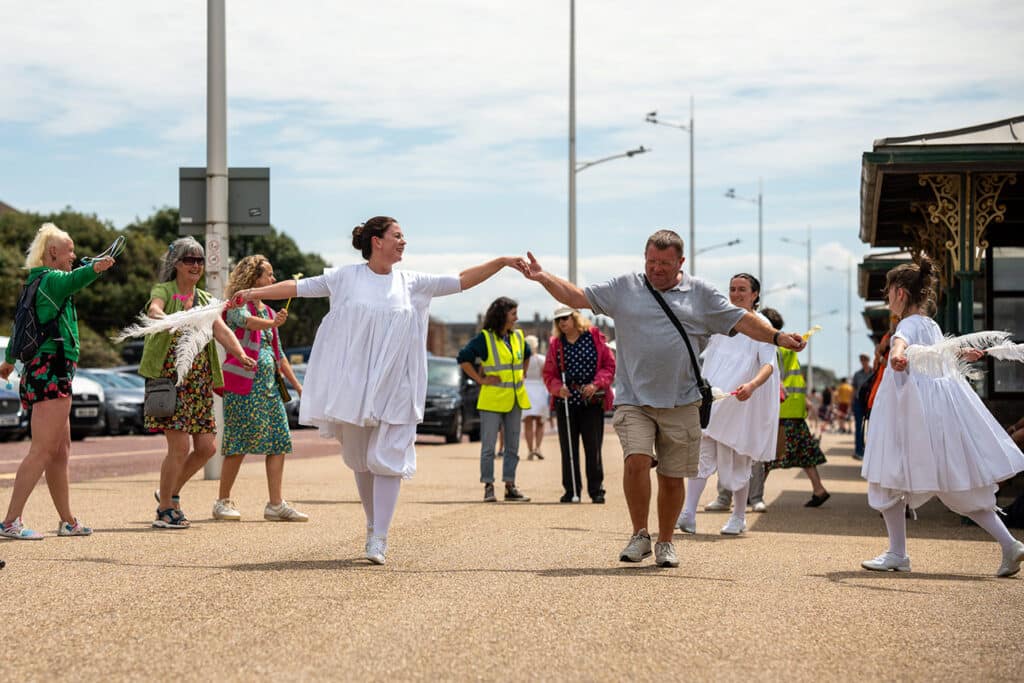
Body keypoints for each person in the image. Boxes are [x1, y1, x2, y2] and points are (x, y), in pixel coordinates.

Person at [237, 216, 519, 565]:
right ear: (377, 241)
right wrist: (252, 293)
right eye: (397, 236)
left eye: (403, 236)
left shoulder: (412, 283)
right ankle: (373, 526)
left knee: (386, 459)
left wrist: (503, 262)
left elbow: (461, 281)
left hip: (397, 385)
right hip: (355, 385)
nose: (403, 242)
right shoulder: (346, 277)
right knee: (361, 459)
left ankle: (380, 539)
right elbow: (298, 288)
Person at [516, 229, 805, 568]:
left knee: (671, 474)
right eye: (651, 261)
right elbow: (578, 296)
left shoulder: (702, 295)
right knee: (636, 460)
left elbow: (742, 321)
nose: (656, 269)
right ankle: (640, 534)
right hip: (634, 399)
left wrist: (777, 337)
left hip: (681, 401)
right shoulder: (626, 287)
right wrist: (542, 278)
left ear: (680, 262)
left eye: (665, 264)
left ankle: (665, 541)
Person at [860, 256, 1024, 576]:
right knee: (957, 486)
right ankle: (1009, 544)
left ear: (901, 293)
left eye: (889, 290)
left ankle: (897, 553)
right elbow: (942, 353)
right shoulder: (931, 324)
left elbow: (901, 345)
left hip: (909, 414)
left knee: (888, 473)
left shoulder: (906, 325)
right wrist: (964, 352)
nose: (887, 297)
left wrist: (896, 357)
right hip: (938, 415)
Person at [0, 223, 116, 540]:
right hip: (52, 369)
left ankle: (68, 521)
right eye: (70, 250)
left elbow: (19, 322)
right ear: (53, 252)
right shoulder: (52, 280)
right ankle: (10, 521)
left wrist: (9, 361)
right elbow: (77, 278)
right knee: (42, 449)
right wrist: (96, 267)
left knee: (60, 449)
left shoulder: (35, 283)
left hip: (44, 370)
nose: (74, 256)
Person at [140, 237, 256, 530]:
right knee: (178, 447)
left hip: (200, 381)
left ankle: (168, 491)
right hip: (171, 379)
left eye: (199, 261)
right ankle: (165, 508)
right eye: (189, 260)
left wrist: (240, 353)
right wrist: (166, 318)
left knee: (206, 448)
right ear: (176, 264)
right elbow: (154, 309)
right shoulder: (164, 290)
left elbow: (222, 329)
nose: (195, 266)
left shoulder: (204, 300)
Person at [676, 274, 780, 536]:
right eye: (732, 289)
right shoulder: (722, 320)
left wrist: (752, 386)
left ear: (755, 294)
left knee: (737, 459)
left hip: (740, 400)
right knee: (702, 454)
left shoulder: (762, 325)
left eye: (742, 289)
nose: (736, 294)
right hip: (715, 398)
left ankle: (739, 516)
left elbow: (769, 364)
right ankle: (688, 513)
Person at [214, 255, 308, 523]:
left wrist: (298, 386)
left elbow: (279, 354)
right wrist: (273, 323)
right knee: (238, 442)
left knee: (279, 440)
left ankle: (275, 504)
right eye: (269, 274)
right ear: (254, 278)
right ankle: (222, 500)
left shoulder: (267, 311)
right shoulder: (237, 303)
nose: (273, 279)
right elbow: (244, 321)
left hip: (269, 389)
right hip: (243, 385)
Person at [458, 297, 532, 503]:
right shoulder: (485, 338)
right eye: (513, 314)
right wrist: (481, 379)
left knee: (513, 446)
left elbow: (528, 354)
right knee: (489, 447)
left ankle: (510, 486)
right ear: (502, 316)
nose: (516, 318)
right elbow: (463, 358)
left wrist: (523, 373)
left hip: (515, 399)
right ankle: (488, 486)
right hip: (491, 399)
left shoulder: (518, 336)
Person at [543, 305, 616, 504]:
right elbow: (549, 374)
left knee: (593, 447)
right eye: (558, 320)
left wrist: (597, 384)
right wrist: (558, 388)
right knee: (568, 448)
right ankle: (571, 489)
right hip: (566, 401)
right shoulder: (556, 343)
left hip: (591, 400)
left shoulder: (594, 337)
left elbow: (609, 366)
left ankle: (596, 490)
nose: (562, 322)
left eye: (565, 318)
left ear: (575, 318)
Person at [761, 308, 830, 507]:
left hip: (780, 409)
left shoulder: (773, 348)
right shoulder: (788, 348)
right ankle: (819, 489)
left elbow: (774, 378)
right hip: (794, 408)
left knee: (767, 453)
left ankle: (754, 495)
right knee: (803, 452)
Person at [521, 334, 549, 461]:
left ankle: (530, 450)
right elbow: (545, 376)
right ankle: (538, 447)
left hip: (526, 389)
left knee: (528, 422)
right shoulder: (541, 359)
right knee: (540, 422)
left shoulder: (522, 360)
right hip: (539, 389)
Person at [850, 353, 873, 459]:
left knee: (872, 428)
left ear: (868, 360)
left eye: (865, 360)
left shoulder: (874, 372)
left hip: (870, 403)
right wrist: (852, 403)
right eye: (861, 360)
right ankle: (859, 451)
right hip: (859, 402)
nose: (863, 362)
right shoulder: (857, 374)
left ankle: (870, 452)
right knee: (859, 427)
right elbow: (854, 389)